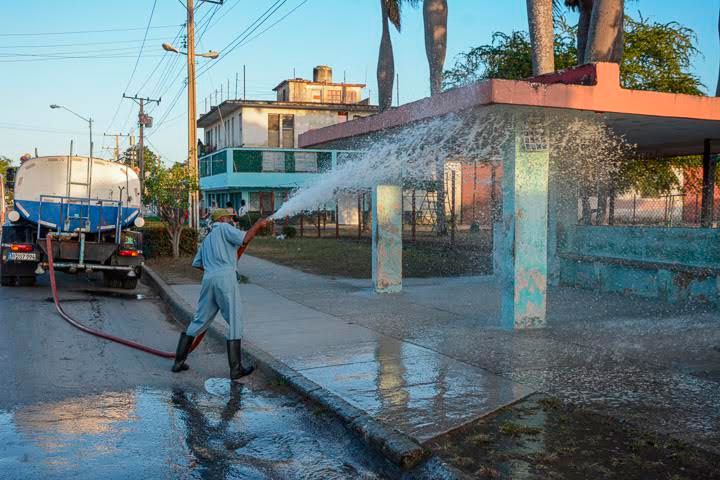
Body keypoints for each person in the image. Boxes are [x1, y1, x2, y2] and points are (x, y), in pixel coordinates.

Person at [171, 208, 268, 381]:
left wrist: (213, 270)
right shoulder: (224, 228)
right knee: (235, 321)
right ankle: (236, 369)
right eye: (230, 218)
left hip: (209, 279)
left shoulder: (207, 239)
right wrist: (258, 225)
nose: (231, 221)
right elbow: (245, 238)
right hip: (225, 279)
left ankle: (178, 362)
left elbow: (197, 264)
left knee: (199, 320)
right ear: (222, 219)